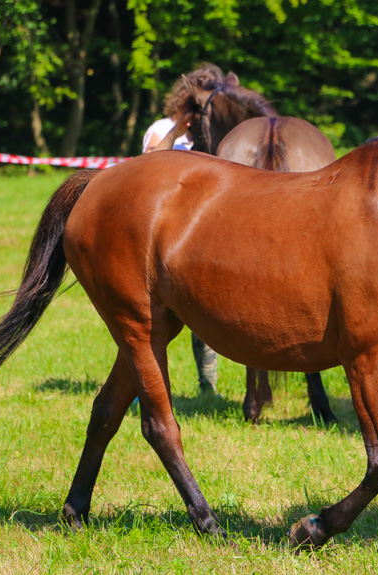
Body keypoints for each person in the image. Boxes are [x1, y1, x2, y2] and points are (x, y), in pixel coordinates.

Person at [142, 63, 227, 395]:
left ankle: (208, 387)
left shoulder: (214, 135)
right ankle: (139, 389)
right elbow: (147, 160)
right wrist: (178, 131)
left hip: (200, 231)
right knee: (150, 319)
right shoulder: (162, 128)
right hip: (165, 230)